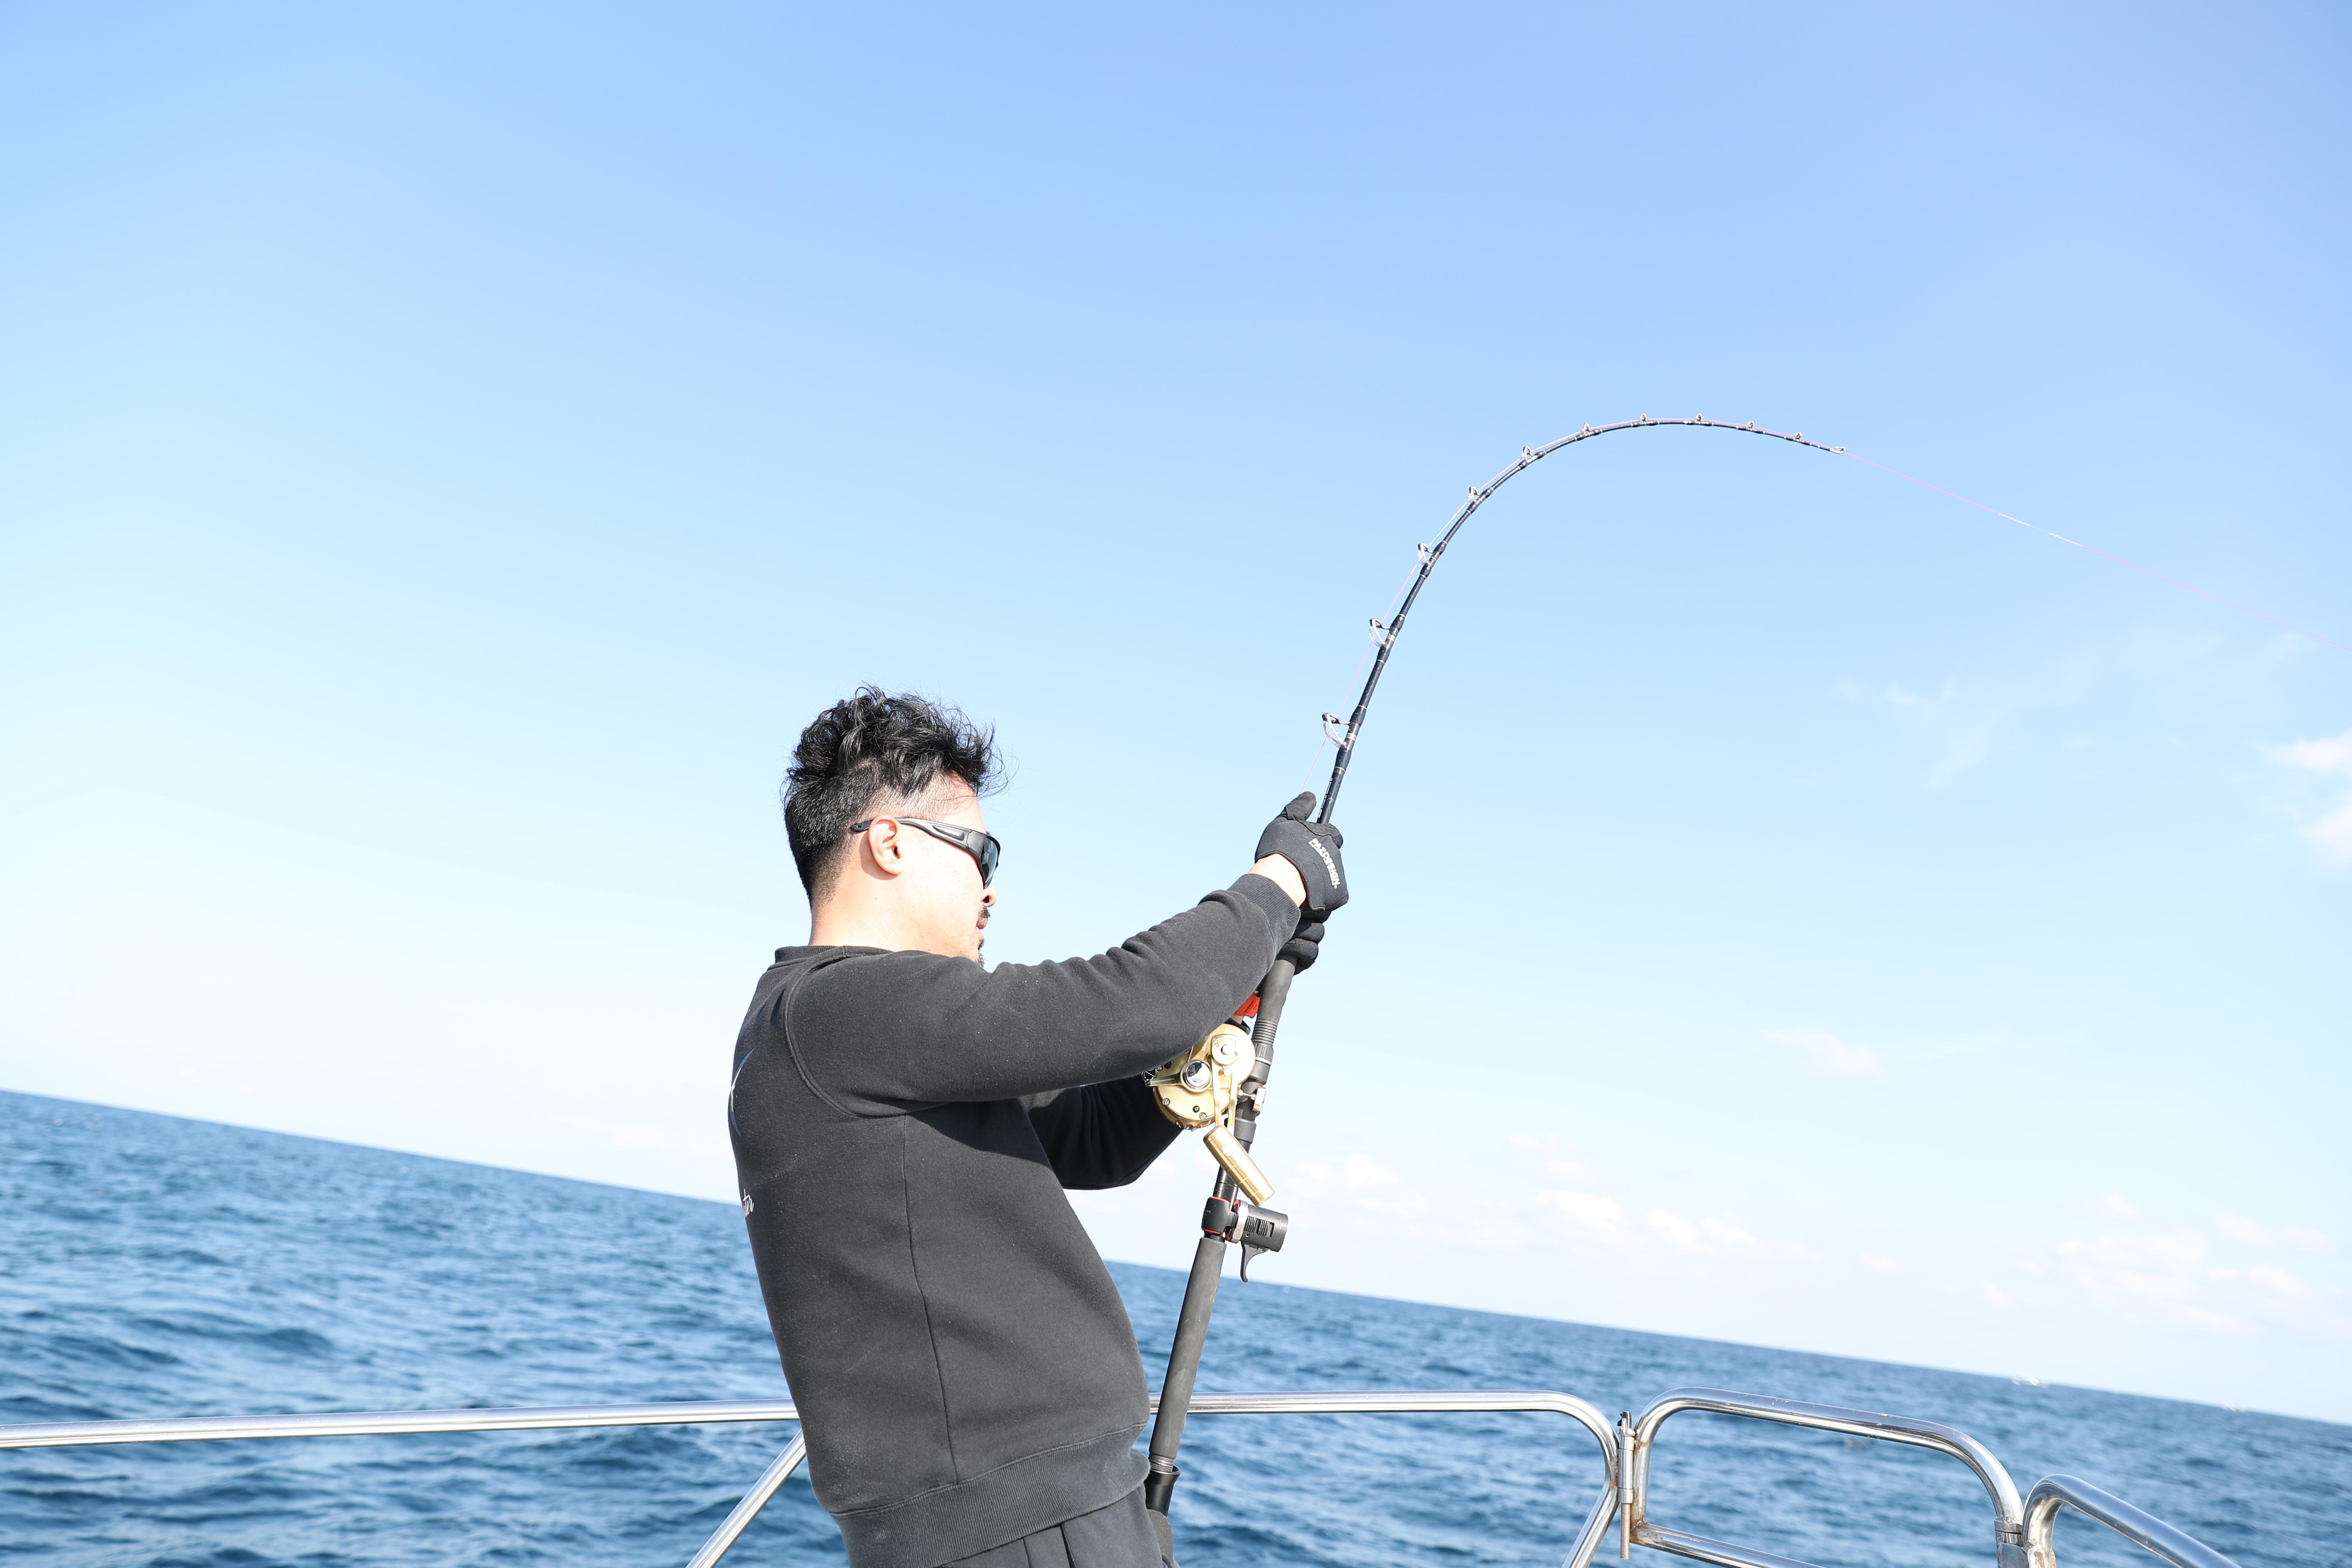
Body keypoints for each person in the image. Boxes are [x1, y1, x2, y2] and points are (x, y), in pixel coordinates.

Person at [728, 688, 1346, 1568]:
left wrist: (1236, 996)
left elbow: (1096, 1138)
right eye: (979, 851)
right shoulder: (841, 1006)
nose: (989, 886)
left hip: (1052, 1517)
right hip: (1017, 1535)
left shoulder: (845, 1032)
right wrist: (1276, 889)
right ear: (891, 842)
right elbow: (1136, 1000)